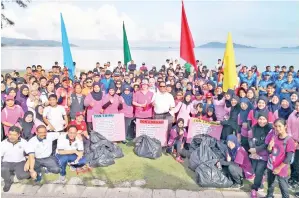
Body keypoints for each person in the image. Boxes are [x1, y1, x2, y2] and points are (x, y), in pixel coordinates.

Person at [263, 119, 295, 198]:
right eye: (276, 126)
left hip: (281, 168)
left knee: (283, 187)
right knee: (270, 183)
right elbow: (270, 152)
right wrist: (269, 147)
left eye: (280, 126)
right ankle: (269, 196)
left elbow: (288, 158)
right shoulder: (274, 137)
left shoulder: (289, 140)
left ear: (285, 126)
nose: (277, 128)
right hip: (271, 165)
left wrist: (279, 168)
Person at [1, 126, 35, 192]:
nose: (11, 137)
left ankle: (24, 174)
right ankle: (7, 182)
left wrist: (29, 164)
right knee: (3, 169)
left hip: (20, 162)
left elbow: (31, 154)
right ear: (8, 134)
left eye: (14, 135)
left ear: (19, 135)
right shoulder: (2, 143)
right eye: (10, 134)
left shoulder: (24, 142)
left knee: (22, 176)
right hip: (6, 163)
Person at [248, 113, 272, 197]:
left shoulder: (270, 129)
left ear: (267, 120)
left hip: (264, 154)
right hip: (254, 153)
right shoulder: (254, 127)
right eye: (260, 119)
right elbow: (250, 139)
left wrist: (256, 149)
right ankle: (261, 179)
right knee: (255, 170)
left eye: (264, 119)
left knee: (258, 171)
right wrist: (253, 149)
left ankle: (255, 188)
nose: (262, 121)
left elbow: (267, 143)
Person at [287, 100, 299, 188]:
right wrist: (291, 139)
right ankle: (292, 177)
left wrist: (297, 141)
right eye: (297, 105)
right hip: (292, 141)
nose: (297, 107)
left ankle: (296, 180)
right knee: (292, 161)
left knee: (297, 163)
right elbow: (289, 126)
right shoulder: (293, 114)